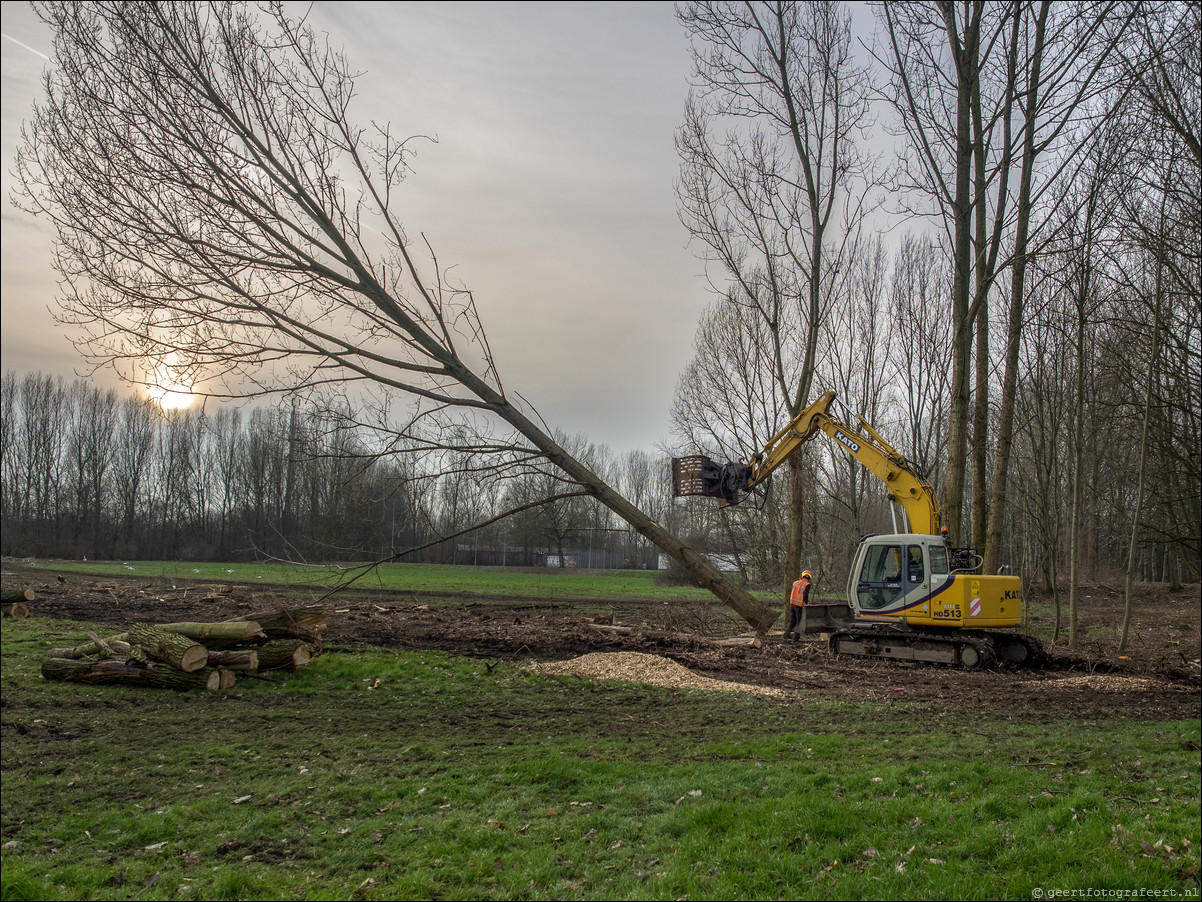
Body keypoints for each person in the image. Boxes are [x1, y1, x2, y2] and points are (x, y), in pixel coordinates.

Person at [784, 569, 812, 641]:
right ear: (809, 578)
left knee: (792, 621)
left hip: (792, 604)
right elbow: (805, 595)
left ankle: (785, 636)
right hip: (799, 606)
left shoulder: (795, 582)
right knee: (799, 623)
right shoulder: (807, 585)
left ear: (802, 576)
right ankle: (795, 640)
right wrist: (807, 602)